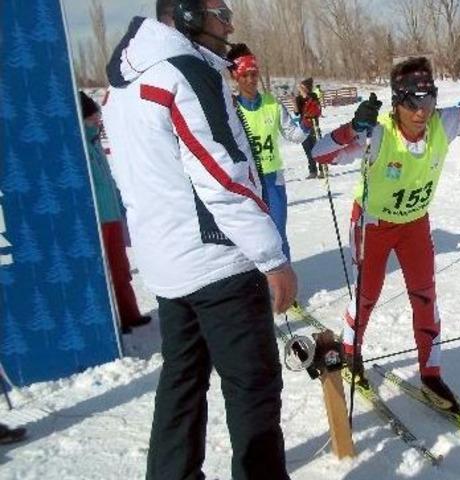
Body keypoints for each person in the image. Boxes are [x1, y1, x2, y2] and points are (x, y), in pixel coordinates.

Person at [101, 1, 296, 479]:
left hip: (169, 265)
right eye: (219, 12)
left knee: (182, 382)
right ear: (186, 13)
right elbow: (222, 175)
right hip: (218, 264)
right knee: (252, 387)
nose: (229, 23)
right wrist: (272, 257)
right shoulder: (184, 73)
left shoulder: (124, 84)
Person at [312, 57, 460, 415]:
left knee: (425, 296)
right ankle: (351, 352)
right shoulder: (377, 133)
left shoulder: (444, 121)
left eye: (428, 99)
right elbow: (320, 153)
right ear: (396, 101)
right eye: (412, 102)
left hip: (415, 223)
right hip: (373, 223)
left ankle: (431, 374)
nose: (421, 112)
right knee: (367, 295)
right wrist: (353, 128)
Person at [79, 91, 151, 335]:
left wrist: (121, 205)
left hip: (112, 216)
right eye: (92, 117)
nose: (97, 120)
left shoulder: (95, 143)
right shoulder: (81, 147)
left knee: (121, 267)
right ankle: (114, 319)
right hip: (98, 219)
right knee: (106, 270)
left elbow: (108, 180)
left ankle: (129, 313)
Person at [225, 43, 306, 261]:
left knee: (278, 236)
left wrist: (306, 121)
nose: (251, 80)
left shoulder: (272, 103)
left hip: (272, 180)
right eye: (245, 75)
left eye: (254, 74)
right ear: (235, 76)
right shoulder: (230, 109)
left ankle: (286, 282)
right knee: (252, 240)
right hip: (246, 182)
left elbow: (295, 135)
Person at [294, 77, 322, 179]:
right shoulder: (299, 98)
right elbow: (296, 113)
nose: (300, 89)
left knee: (318, 149)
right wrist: (294, 102)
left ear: (307, 88)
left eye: (302, 87)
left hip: (313, 125)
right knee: (308, 150)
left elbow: (315, 106)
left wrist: (304, 94)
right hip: (303, 126)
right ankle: (313, 171)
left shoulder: (313, 96)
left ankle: (322, 170)